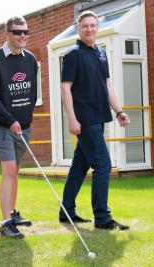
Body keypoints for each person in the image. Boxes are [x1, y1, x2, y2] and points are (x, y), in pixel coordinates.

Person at [59, 11, 130, 230]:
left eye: (93, 25)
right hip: (84, 119)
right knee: (103, 164)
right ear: (78, 28)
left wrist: (118, 111)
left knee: (80, 166)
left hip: (99, 117)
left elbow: (108, 85)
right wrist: (71, 118)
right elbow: (65, 88)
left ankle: (66, 212)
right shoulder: (73, 54)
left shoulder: (101, 54)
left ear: (97, 28)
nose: (89, 29)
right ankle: (103, 218)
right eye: (85, 26)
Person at [0, 16, 38, 239]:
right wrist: (10, 120)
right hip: (2, 125)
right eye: (17, 32)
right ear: (7, 34)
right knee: (8, 171)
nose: (22, 36)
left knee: (15, 172)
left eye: (26, 32)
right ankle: (5, 223)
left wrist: (26, 118)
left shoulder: (31, 59)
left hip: (23, 126)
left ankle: (13, 214)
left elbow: (32, 92)